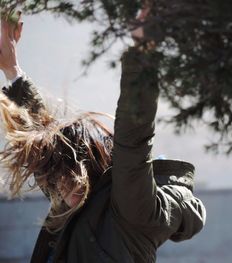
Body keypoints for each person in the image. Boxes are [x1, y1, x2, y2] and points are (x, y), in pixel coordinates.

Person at [0, 8, 206, 263]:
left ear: (90, 167)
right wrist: (12, 69)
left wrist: (143, 50)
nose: (61, 190)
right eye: (59, 180)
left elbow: (134, 137)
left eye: (69, 178)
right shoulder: (73, 204)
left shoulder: (131, 209)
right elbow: (41, 130)